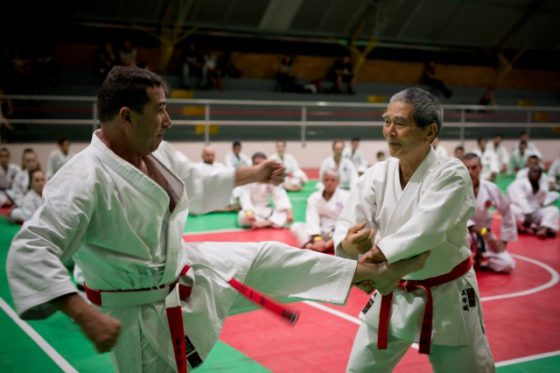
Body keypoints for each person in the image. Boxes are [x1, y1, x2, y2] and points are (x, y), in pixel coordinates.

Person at [6, 67, 430, 373]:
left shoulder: (154, 153)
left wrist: (255, 173)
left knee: (265, 256)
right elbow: (31, 248)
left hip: (183, 266)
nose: (169, 120)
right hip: (137, 311)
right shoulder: (82, 177)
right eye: (160, 110)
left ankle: (365, 271)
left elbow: (195, 180)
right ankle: (364, 271)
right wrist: (83, 314)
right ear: (126, 116)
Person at [333, 87, 494, 372]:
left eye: (400, 123)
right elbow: (349, 220)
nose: (390, 131)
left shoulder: (451, 173)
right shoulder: (377, 175)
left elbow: (426, 230)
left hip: (446, 294)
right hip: (392, 290)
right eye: (386, 121)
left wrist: (374, 258)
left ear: (429, 131)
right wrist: (347, 244)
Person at [463, 153, 516, 273]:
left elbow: (507, 210)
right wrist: (480, 230)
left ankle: (481, 257)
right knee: (465, 240)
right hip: (462, 233)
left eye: (474, 167)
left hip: (484, 233)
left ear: (481, 168)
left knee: (507, 264)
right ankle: (469, 259)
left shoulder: (490, 188)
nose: (470, 172)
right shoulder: (455, 188)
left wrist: (503, 240)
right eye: (466, 168)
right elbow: (454, 217)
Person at [291, 169, 348, 253]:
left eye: (333, 180)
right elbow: (312, 218)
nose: (329, 183)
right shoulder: (314, 197)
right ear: (322, 181)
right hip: (319, 231)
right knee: (296, 226)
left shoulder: (345, 197)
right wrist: (317, 238)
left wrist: (330, 242)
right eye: (326, 180)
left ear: (338, 182)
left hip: (336, 232)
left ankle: (323, 247)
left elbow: (346, 221)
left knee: (347, 232)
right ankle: (310, 246)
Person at [238, 152, 293, 229]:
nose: (259, 167)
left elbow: (280, 195)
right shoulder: (248, 178)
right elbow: (245, 197)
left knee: (283, 214)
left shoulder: (270, 178)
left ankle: (263, 223)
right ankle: (269, 222)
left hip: (266, 210)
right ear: (253, 165)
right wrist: (249, 213)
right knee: (242, 216)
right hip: (252, 210)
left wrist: (289, 212)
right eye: (256, 164)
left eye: (262, 164)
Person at [508, 165, 559, 238]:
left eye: (539, 173)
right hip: (522, 212)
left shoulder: (542, 185)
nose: (536, 174)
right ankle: (534, 227)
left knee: (554, 210)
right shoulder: (519, 183)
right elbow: (520, 199)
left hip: (535, 212)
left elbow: (542, 201)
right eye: (534, 171)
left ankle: (543, 228)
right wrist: (528, 213)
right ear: (528, 172)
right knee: (511, 208)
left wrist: (544, 205)